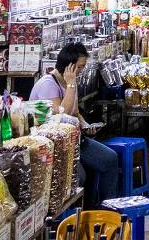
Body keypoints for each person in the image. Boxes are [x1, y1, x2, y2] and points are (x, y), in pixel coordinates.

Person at [28, 42, 123, 210]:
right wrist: (71, 85)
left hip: (75, 140)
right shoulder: (48, 84)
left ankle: (107, 209)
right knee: (79, 176)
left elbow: (75, 112)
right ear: (68, 66)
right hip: (55, 146)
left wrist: (85, 125)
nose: (81, 71)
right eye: (79, 67)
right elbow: (60, 116)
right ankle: (75, 218)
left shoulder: (70, 83)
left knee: (110, 159)